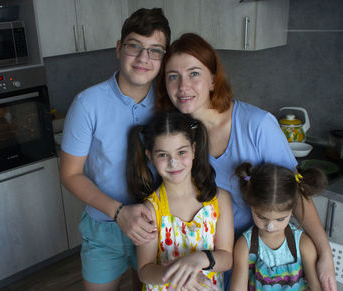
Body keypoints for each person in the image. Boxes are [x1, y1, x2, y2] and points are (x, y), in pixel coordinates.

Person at [155, 33, 336, 291]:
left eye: (194, 73)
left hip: (252, 258)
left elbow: (293, 191)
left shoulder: (258, 125)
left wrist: (324, 252)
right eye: (173, 76)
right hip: (206, 256)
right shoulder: (178, 135)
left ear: (213, 79)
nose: (183, 86)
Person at [59, 8, 171, 291]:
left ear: (163, 58)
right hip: (103, 227)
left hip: (154, 224)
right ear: (119, 48)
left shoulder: (169, 103)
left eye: (155, 50)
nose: (144, 58)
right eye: (135, 46)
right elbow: (70, 174)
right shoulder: (87, 104)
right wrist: (119, 212)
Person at [126, 111, 234, 290]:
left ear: (194, 150)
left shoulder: (220, 199)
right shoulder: (150, 210)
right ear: (150, 156)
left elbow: (227, 258)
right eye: (163, 155)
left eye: (181, 152)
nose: (173, 163)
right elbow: (145, 270)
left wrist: (199, 259)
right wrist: (176, 275)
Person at [230, 163, 327, 291]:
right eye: (262, 217)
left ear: (292, 210)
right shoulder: (244, 246)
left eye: (280, 219)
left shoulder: (303, 244)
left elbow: (316, 287)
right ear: (251, 206)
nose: (270, 226)